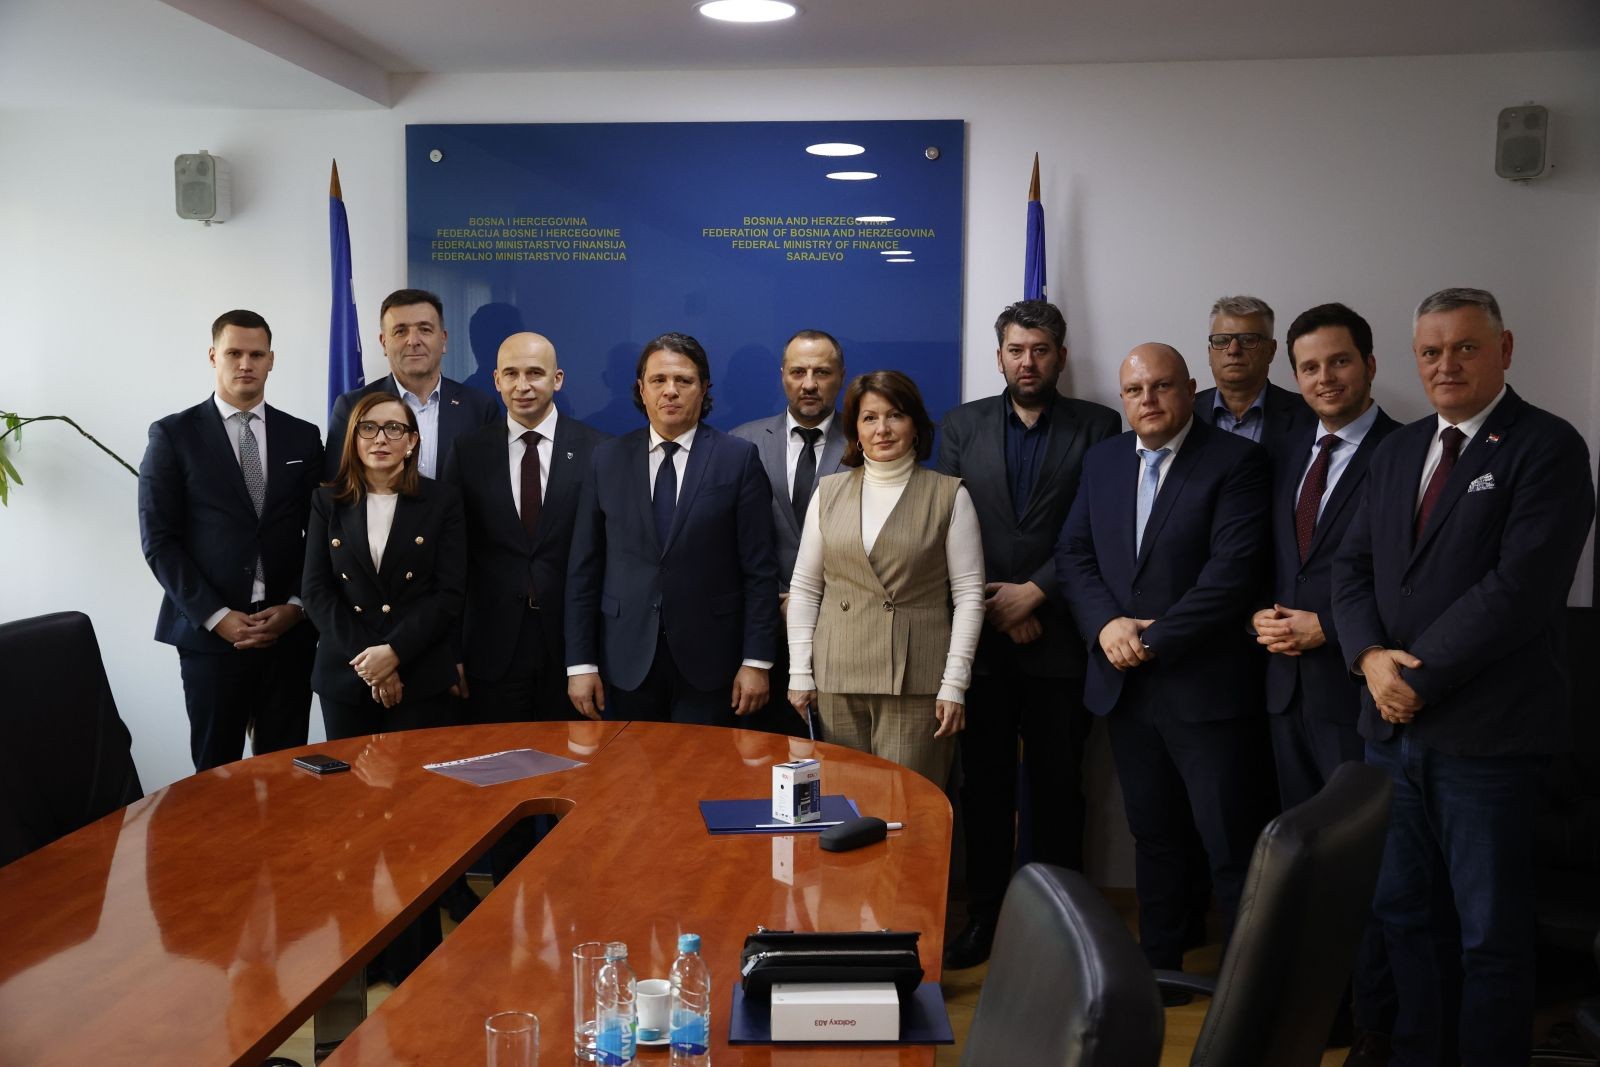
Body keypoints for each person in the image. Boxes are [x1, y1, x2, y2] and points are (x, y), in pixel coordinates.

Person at [1333, 288, 1595, 1067]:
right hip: (1391, 734)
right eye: (1431, 350)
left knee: (1490, 934)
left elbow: (1519, 589)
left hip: (1488, 739)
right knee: (1405, 915)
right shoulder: (1396, 451)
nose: (1445, 364)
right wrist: (1369, 658)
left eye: (1466, 347)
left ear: (1504, 350)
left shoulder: (1547, 447)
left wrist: (1416, 677)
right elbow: (1351, 569)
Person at [1055, 343, 1273, 972]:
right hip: (1127, 689)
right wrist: (1106, 627)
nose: (1147, 400)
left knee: (1229, 843)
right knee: (1153, 836)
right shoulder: (1103, 461)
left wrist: (1151, 640)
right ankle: (1160, 966)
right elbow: (1074, 554)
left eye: (1161, 386)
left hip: (1204, 687)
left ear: (1190, 388)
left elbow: (1230, 577)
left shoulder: (1237, 461)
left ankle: (1245, 982)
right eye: (1134, 390)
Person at [936, 299, 1120, 969]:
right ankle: (985, 916)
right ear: (999, 357)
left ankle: (1062, 927)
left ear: (1061, 356)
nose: (1028, 361)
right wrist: (999, 605)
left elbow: (1099, 523)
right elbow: (949, 522)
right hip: (979, 641)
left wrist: (1036, 592)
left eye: (1040, 350)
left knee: (1058, 788)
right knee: (983, 789)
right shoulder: (961, 425)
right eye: (1016, 350)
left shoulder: (1099, 425)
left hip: (1062, 638)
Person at [1252, 303, 1400, 1054]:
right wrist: (1260, 616)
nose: (1324, 378)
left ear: (1369, 365)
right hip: (1285, 694)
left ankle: (1373, 1019)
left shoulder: (1410, 452)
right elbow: (1273, 559)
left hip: (1357, 693)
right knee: (1306, 864)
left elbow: (1410, 582)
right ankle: (1321, 1009)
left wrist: (1331, 628)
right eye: (1309, 367)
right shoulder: (1284, 450)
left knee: (1366, 869)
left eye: (1339, 361)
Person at [137, 309, 322, 771]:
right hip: (211, 640)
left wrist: (297, 606)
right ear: (212, 355)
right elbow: (159, 540)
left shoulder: (303, 436)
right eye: (234, 353)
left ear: (271, 360)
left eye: (256, 355)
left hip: (287, 637)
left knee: (287, 773)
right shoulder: (173, 435)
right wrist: (216, 617)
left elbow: (322, 532)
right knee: (215, 776)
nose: (245, 364)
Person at [565, 332, 780, 726]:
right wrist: (580, 664)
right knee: (634, 764)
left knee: (702, 764)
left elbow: (760, 570)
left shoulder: (738, 459)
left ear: (704, 389)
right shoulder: (606, 460)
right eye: (659, 380)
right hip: (626, 658)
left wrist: (756, 660)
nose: (671, 391)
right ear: (641, 389)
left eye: (684, 380)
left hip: (713, 661)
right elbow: (584, 569)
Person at [786, 370, 985, 786]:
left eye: (895, 415)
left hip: (918, 680)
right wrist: (800, 673)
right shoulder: (828, 492)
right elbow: (805, 589)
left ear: (915, 426)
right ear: (855, 431)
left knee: (907, 806)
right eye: (869, 418)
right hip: (837, 675)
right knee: (845, 804)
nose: (882, 429)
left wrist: (954, 683)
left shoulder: (950, 495)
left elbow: (969, 597)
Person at [441, 332, 609, 723]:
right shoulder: (467, 451)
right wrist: (451, 651)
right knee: (498, 759)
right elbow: (450, 558)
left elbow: (607, 554)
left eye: (535, 373)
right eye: (511, 374)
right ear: (496, 380)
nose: (522, 386)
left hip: (571, 648)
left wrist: (590, 657)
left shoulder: (598, 450)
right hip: (490, 649)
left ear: (557, 379)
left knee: (572, 758)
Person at [302, 393, 466, 740]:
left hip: (420, 671)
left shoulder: (443, 501)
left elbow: (448, 593)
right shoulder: (326, 501)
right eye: (368, 428)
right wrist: (372, 663)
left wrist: (394, 652)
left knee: (416, 775)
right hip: (347, 671)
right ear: (354, 439)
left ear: (412, 441)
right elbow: (316, 592)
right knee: (350, 775)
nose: (380, 438)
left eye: (393, 428)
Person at [730, 329, 850, 735]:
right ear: (782, 374)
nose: (809, 384)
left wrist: (808, 601)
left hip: (842, 631)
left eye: (822, 372)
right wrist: (773, 601)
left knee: (836, 758)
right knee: (758, 756)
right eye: (798, 372)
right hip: (758, 634)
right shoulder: (742, 442)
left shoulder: (866, 442)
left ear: (841, 376)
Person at [325, 288, 500, 480]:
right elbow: (337, 485)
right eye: (400, 331)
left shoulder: (480, 408)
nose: (413, 341)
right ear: (384, 343)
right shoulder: (351, 407)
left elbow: (490, 484)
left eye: (425, 329)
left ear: (443, 340)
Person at [1195, 294, 1315, 459]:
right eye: (1222, 340)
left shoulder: (1309, 415)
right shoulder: (1186, 412)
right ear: (1210, 353)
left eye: (1248, 340)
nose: (1233, 350)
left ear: (1271, 350)